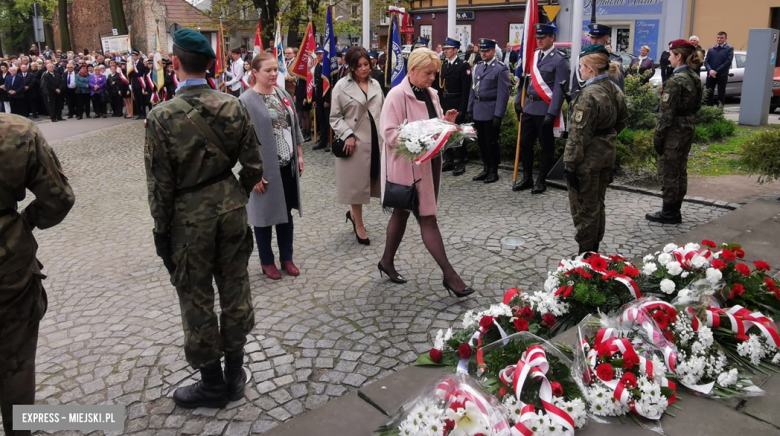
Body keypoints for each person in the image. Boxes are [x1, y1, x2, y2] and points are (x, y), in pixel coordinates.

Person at [144, 29, 264, 408]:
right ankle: (234, 375)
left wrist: (161, 231)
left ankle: (212, 384)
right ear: (211, 64)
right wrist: (233, 196)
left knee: (196, 299)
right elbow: (254, 165)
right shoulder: (232, 105)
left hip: (187, 219)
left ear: (175, 64)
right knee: (235, 290)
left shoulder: (161, 116)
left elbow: (159, 185)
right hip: (230, 212)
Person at [379, 48, 475, 298]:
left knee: (401, 213)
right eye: (428, 73)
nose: (433, 78)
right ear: (412, 70)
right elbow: (389, 134)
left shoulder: (432, 93)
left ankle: (386, 261)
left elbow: (432, 126)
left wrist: (447, 123)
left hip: (428, 164)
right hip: (406, 168)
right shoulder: (396, 95)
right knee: (427, 218)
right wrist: (420, 136)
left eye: (435, 73)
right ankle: (450, 276)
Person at [0, 113, 75, 436]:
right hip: (7, 263)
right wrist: (21, 223)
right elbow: (58, 198)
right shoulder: (15, 130)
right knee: (15, 360)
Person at [240, 53, 305, 280]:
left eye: (276, 69)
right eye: (268, 70)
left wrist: (299, 152)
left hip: (287, 165)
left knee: (285, 214)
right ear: (255, 73)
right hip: (264, 169)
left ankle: (287, 257)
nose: (274, 73)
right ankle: (267, 260)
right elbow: (242, 140)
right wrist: (253, 173)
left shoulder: (282, 94)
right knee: (264, 216)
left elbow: (293, 124)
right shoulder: (246, 101)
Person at [563, 44, 627, 255]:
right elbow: (622, 121)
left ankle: (585, 253)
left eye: (581, 66)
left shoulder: (589, 94)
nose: (580, 70)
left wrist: (569, 165)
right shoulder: (614, 88)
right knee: (598, 204)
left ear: (590, 68)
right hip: (606, 155)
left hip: (587, 161)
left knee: (584, 208)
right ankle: (593, 249)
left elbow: (578, 135)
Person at [329, 47, 384, 246]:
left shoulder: (376, 84)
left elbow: (382, 112)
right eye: (359, 65)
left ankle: (353, 215)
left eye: (366, 65)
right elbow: (335, 117)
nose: (363, 69)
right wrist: (347, 135)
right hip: (355, 144)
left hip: (376, 142)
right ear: (351, 66)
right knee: (357, 186)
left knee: (371, 181)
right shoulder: (341, 86)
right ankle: (358, 222)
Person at [646, 39, 703, 224]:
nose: (669, 58)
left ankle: (669, 212)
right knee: (680, 168)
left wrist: (659, 135)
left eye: (671, 55)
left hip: (674, 130)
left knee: (669, 170)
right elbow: (697, 105)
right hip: (687, 125)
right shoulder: (693, 76)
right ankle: (675, 209)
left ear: (678, 56)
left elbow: (666, 113)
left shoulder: (676, 80)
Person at [513, 24, 570, 194]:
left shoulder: (560, 60)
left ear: (552, 38)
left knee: (546, 147)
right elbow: (525, 81)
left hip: (545, 108)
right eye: (537, 37)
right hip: (529, 107)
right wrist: (518, 100)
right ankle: (527, 177)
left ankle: (541, 179)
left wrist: (552, 113)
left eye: (543, 37)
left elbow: (560, 89)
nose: (539, 40)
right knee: (524, 144)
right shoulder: (533, 56)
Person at [466, 38, 510, 184]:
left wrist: (499, 115)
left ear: (493, 51)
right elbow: (473, 89)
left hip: (491, 110)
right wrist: (470, 108)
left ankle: (493, 171)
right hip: (479, 109)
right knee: (482, 142)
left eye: (486, 51)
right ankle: (485, 168)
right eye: (482, 51)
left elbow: (503, 95)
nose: (483, 54)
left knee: (492, 142)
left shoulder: (500, 68)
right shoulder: (478, 67)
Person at [433, 37, 472, 177]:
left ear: (456, 50)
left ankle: (460, 162)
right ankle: (449, 159)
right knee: (445, 132)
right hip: (445, 102)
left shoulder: (463, 66)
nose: (446, 51)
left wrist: (463, 109)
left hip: (457, 102)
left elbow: (466, 90)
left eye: (449, 49)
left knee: (458, 134)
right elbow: (438, 85)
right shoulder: (443, 65)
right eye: (445, 48)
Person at [571, 23, 625, 97]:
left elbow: (618, 91)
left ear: (607, 38)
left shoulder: (614, 59)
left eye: (598, 38)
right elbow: (575, 86)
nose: (594, 41)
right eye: (592, 37)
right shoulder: (583, 57)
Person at [704, 31, 733, 107]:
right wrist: (710, 70)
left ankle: (719, 111)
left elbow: (728, 62)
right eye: (718, 37)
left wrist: (716, 71)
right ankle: (709, 110)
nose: (719, 39)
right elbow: (706, 61)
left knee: (721, 93)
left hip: (722, 74)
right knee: (709, 92)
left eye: (721, 38)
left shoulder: (729, 48)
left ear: (725, 38)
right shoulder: (711, 48)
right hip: (710, 74)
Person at [312, 47, 331, 151]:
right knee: (321, 121)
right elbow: (316, 84)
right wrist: (314, 99)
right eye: (317, 54)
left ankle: (329, 141)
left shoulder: (327, 67)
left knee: (328, 121)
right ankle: (322, 141)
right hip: (319, 98)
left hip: (326, 99)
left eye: (320, 54)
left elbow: (329, 85)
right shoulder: (317, 66)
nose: (318, 56)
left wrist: (327, 100)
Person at [129, 50, 148, 119]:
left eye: (134, 56)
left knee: (141, 99)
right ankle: (139, 113)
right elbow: (130, 75)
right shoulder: (131, 65)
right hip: (134, 84)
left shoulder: (140, 64)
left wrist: (132, 74)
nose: (133, 57)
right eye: (132, 56)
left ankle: (143, 113)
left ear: (137, 56)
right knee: (136, 100)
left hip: (139, 84)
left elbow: (139, 74)